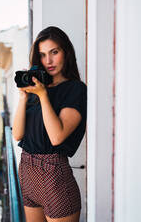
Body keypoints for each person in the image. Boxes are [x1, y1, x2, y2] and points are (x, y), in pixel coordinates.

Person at [12, 26, 87, 222]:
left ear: (66, 52)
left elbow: (57, 136)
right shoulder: (37, 89)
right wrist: (23, 96)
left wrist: (43, 96)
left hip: (54, 177)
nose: (48, 61)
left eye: (54, 52)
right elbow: (18, 134)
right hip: (27, 171)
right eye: (43, 55)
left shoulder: (75, 89)